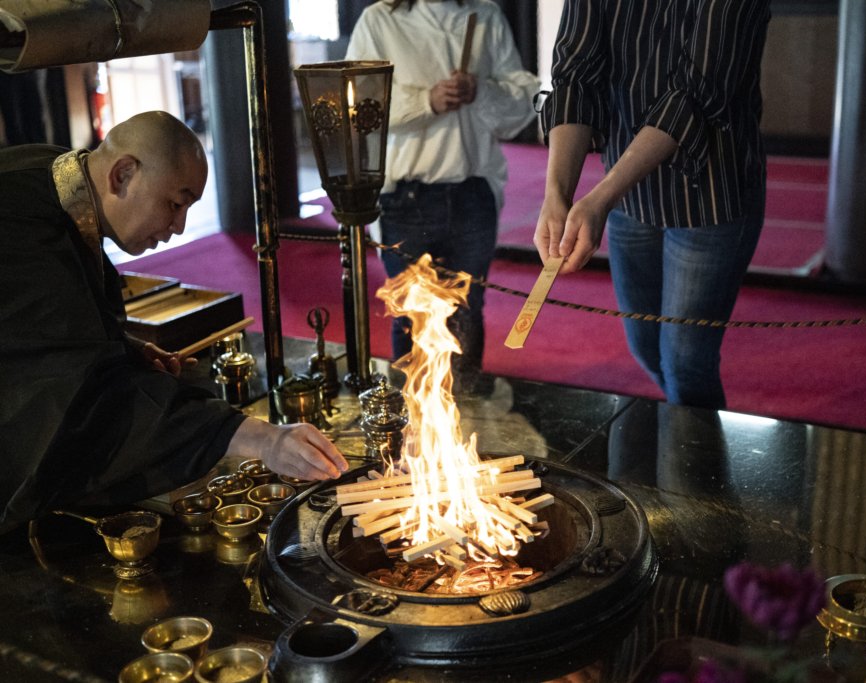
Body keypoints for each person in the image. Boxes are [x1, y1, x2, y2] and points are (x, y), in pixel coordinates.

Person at [0, 111, 348, 533]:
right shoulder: (22, 229)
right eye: (175, 203)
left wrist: (123, 344)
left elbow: (44, 327)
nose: (180, 227)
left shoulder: (55, 177)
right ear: (123, 174)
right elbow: (83, 401)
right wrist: (260, 438)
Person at [535, 0, 771, 411]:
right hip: (629, 191)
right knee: (644, 344)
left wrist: (601, 197)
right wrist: (556, 195)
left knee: (685, 362)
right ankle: (679, 438)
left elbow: (695, 96)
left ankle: (694, 467)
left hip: (711, 194)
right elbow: (575, 78)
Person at [345, 0, 540, 394]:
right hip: (408, 196)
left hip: (473, 193)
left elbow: (521, 104)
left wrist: (480, 91)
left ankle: (463, 428)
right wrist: (425, 101)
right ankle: (411, 428)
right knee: (413, 317)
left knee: (467, 315)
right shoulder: (381, 19)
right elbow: (357, 105)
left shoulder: (484, 15)